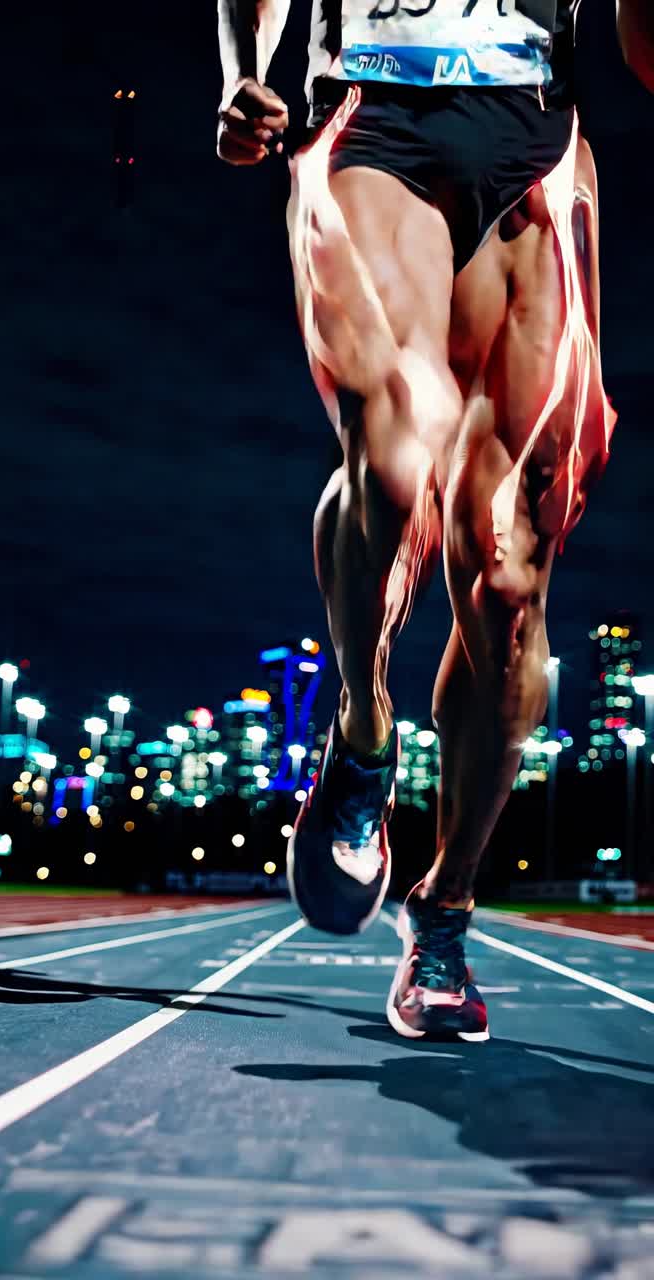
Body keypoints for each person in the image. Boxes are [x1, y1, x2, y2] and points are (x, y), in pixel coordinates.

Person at [216, 1, 653, 1041]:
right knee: (399, 443)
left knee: (507, 575)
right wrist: (245, 68)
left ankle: (445, 910)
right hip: (373, 114)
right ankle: (365, 730)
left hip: (535, 135)